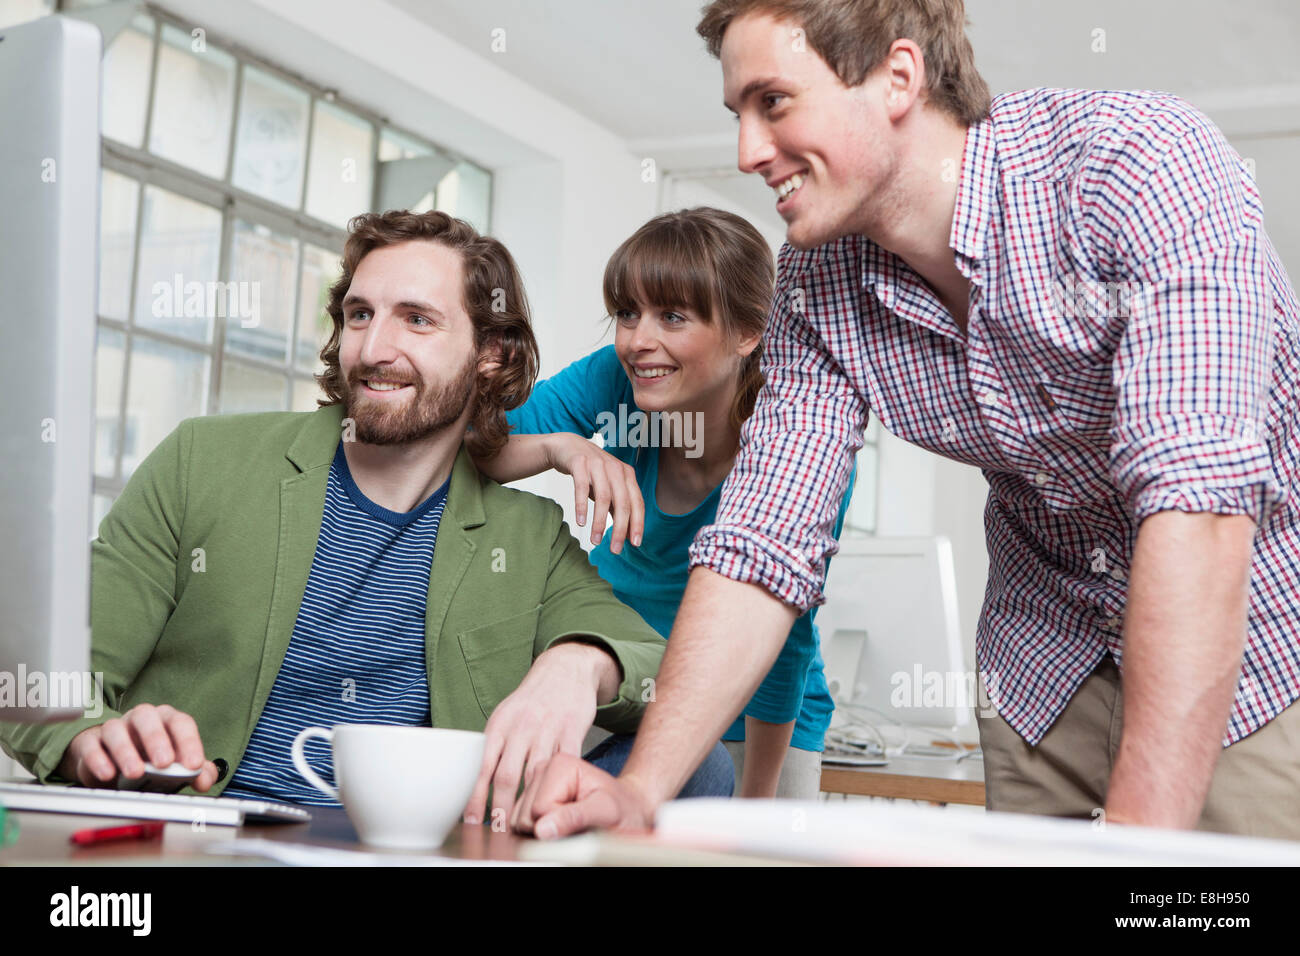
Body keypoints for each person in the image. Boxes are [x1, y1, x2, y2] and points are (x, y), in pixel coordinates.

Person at [512, 0, 1300, 840]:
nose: (747, 152)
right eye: (737, 113)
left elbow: (1199, 503)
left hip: (1243, 642)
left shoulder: (1137, 164)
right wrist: (641, 794)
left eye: (773, 102)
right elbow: (762, 546)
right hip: (1044, 659)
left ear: (897, 76)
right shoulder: (816, 282)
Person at [0, 210, 728, 822]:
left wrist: (581, 662)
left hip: (412, 850)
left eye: (417, 320)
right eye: (359, 315)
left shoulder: (526, 540)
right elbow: (39, 676)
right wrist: (90, 739)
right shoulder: (204, 462)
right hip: (210, 830)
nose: (375, 350)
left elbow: (664, 675)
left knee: (702, 769)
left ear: (489, 352)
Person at [472, 208, 855, 801]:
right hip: (623, 679)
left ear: (749, 333)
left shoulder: (796, 440)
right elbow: (478, 449)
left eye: (672, 316)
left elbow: (786, 639)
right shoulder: (614, 380)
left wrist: (753, 805)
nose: (637, 341)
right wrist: (560, 446)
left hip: (751, 715)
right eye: (628, 313)